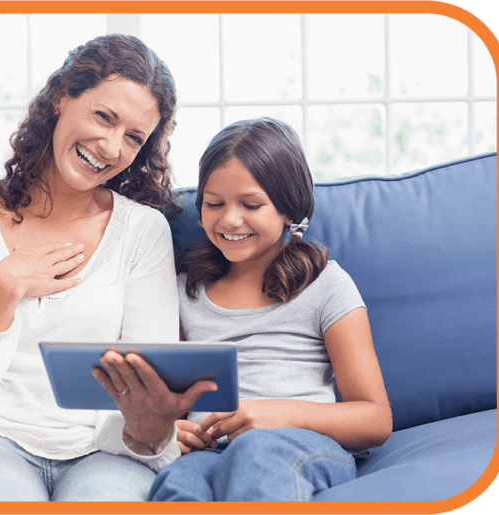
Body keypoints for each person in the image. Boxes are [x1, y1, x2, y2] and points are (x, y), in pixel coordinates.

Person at [0, 33, 214, 502]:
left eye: (133, 137)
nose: (110, 147)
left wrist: (151, 427)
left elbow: (146, 382)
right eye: (103, 117)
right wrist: (0, 293)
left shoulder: (142, 232)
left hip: (107, 453)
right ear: (60, 99)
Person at [148, 118, 393, 502]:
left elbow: (375, 419)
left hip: (298, 443)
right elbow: (171, 397)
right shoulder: (182, 291)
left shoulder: (325, 285)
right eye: (214, 204)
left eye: (251, 204)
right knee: (178, 484)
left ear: (289, 210)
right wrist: (170, 430)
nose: (229, 219)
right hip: (209, 450)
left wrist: (279, 414)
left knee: (255, 453)